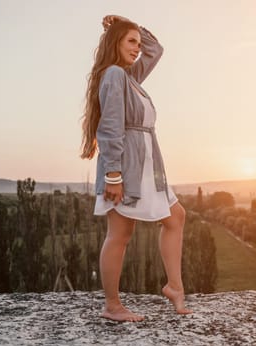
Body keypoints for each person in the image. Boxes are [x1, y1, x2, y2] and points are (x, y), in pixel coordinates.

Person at [80, 15, 192, 322]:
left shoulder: (129, 77)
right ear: (114, 42)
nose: (137, 48)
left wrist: (132, 25)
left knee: (175, 216)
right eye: (130, 41)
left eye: (137, 43)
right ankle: (112, 306)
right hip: (126, 165)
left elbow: (156, 50)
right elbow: (110, 125)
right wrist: (113, 174)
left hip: (147, 164)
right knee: (120, 232)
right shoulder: (115, 74)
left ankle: (174, 286)